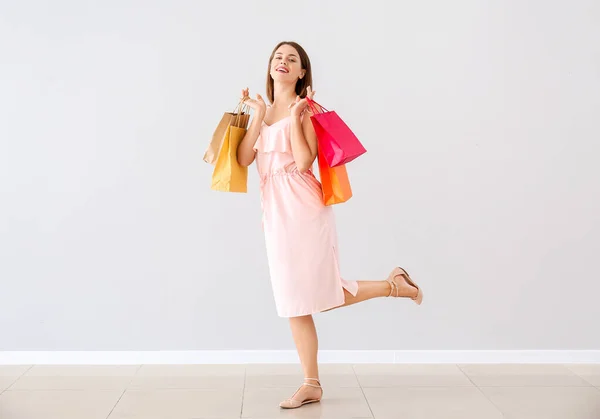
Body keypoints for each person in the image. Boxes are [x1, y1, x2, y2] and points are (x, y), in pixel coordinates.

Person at [236, 41, 423, 409]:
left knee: (312, 292)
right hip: (274, 209)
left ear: (302, 72)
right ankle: (312, 383)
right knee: (294, 299)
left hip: (303, 206)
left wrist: (294, 118)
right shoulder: (260, 109)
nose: (284, 62)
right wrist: (258, 114)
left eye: (292, 59)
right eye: (278, 57)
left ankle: (392, 287)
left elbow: (304, 162)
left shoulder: (303, 110)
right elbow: (243, 159)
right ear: (270, 67)